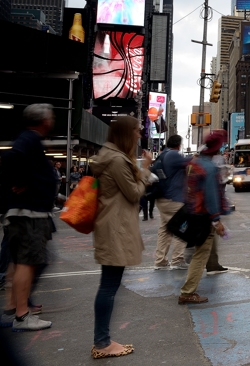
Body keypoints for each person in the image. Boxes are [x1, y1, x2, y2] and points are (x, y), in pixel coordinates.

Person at [90, 115, 151, 358]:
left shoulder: (113, 156)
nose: (139, 135)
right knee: (108, 286)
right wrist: (145, 170)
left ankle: (102, 340)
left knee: (109, 284)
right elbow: (134, 193)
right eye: (137, 131)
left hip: (112, 225)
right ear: (126, 133)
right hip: (115, 228)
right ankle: (102, 343)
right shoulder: (116, 160)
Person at [0, 104, 57, 332]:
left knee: (21, 263)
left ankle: (14, 308)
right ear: (43, 120)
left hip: (27, 213)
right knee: (27, 262)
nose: (53, 120)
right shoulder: (30, 139)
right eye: (51, 116)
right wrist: (20, 181)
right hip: (28, 215)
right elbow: (13, 158)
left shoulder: (29, 139)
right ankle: (23, 316)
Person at [178, 130, 228, 305]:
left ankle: (190, 287)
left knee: (200, 250)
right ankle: (187, 292)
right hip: (203, 216)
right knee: (200, 255)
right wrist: (216, 220)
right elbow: (212, 196)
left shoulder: (195, 162)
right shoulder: (209, 168)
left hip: (192, 212)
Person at [154, 135, 189, 270]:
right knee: (182, 227)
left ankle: (160, 260)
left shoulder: (162, 155)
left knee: (165, 229)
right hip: (173, 199)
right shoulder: (173, 155)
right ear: (179, 144)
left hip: (162, 198)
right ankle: (177, 259)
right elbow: (191, 161)